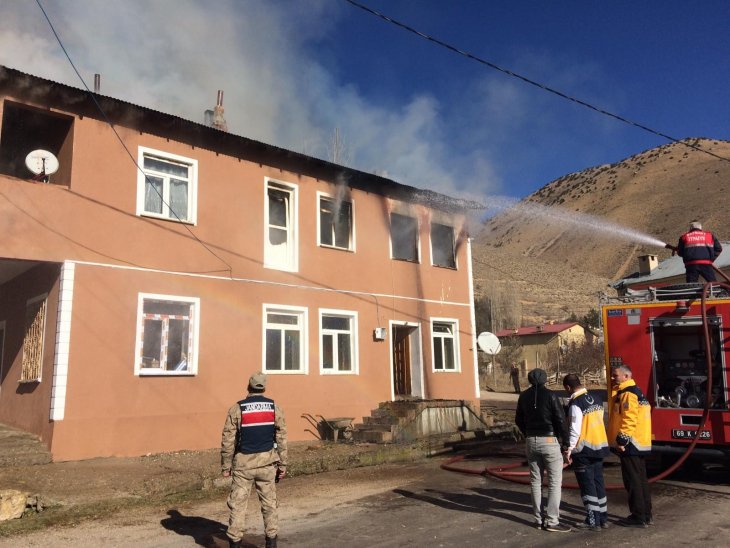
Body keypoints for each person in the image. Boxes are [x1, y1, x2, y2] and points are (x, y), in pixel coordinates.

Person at [221, 372, 288, 548]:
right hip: (267, 464)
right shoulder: (274, 407)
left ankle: (235, 543)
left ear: (248, 386)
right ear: (264, 387)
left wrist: (226, 466)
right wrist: (283, 464)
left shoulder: (237, 408)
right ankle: (271, 542)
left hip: (243, 466)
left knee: (238, 507)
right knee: (269, 505)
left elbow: (228, 439)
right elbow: (281, 438)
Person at [515, 368, 571, 532]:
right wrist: (565, 443)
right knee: (554, 483)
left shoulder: (523, 396)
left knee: (535, 482)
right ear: (545, 380)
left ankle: (538, 519)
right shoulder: (551, 396)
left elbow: (518, 419)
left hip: (531, 440)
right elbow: (560, 420)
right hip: (549, 439)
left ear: (530, 380)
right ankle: (552, 521)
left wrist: (527, 433)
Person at [607, 364, 653, 528]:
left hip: (631, 444)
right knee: (641, 481)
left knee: (632, 481)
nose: (612, 378)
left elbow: (629, 419)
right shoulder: (633, 391)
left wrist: (621, 441)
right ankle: (646, 515)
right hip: (640, 443)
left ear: (626, 376)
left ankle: (638, 516)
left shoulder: (628, 394)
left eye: (615, 375)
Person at [563, 373, 610, 531]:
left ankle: (592, 520)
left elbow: (574, 430)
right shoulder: (596, 398)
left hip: (583, 450)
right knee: (598, 483)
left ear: (568, 388)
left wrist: (568, 450)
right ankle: (603, 518)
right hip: (599, 446)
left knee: (587, 486)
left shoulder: (576, 403)